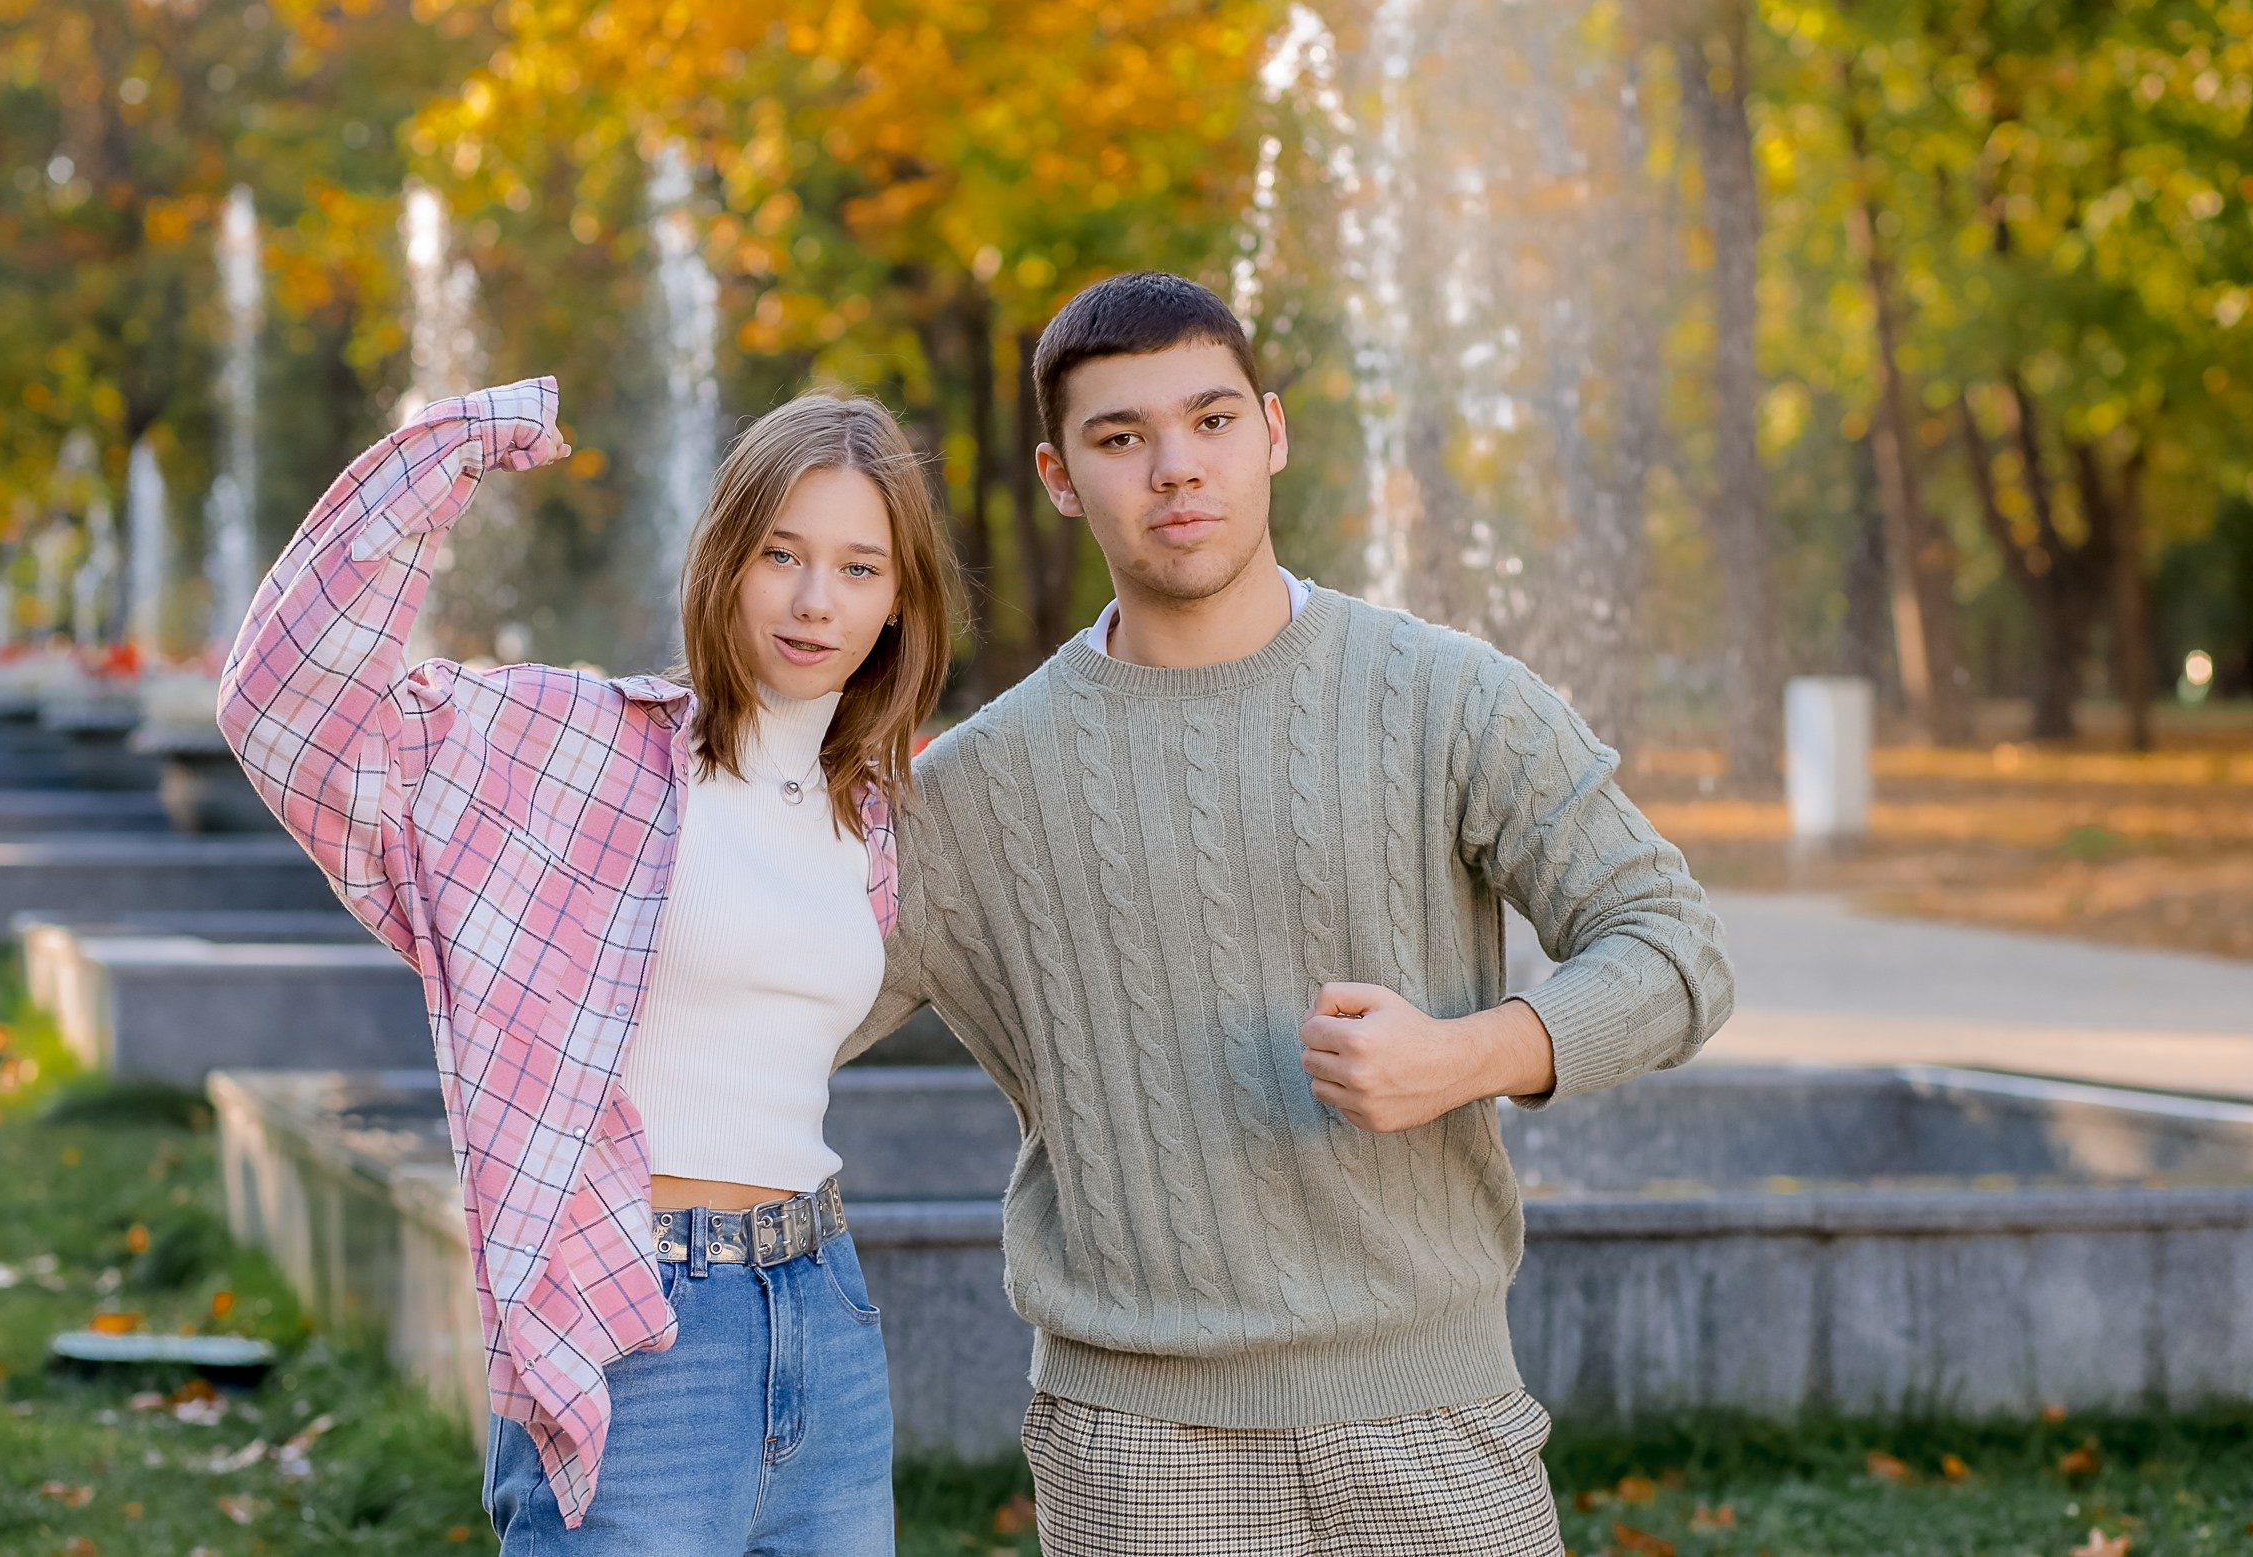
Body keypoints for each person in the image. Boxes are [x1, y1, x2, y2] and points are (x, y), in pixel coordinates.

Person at [843, 273, 1736, 1555]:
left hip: (1436, 1421)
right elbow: (766, 1016)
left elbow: (1673, 947)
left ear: (1272, 431)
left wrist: (1464, 1054)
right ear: (1057, 474)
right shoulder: (971, 792)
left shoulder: (1448, 697)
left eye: (1210, 421)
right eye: (1120, 438)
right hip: (1136, 1459)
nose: (1175, 470)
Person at [220, 378, 956, 1555]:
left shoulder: (868, 814)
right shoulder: (583, 749)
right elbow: (282, 704)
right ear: (725, 559)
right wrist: (447, 452)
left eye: (861, 568)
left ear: (900, 603)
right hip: (639, 1320)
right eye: (783, 553)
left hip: (825, 1304)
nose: (818, 600)